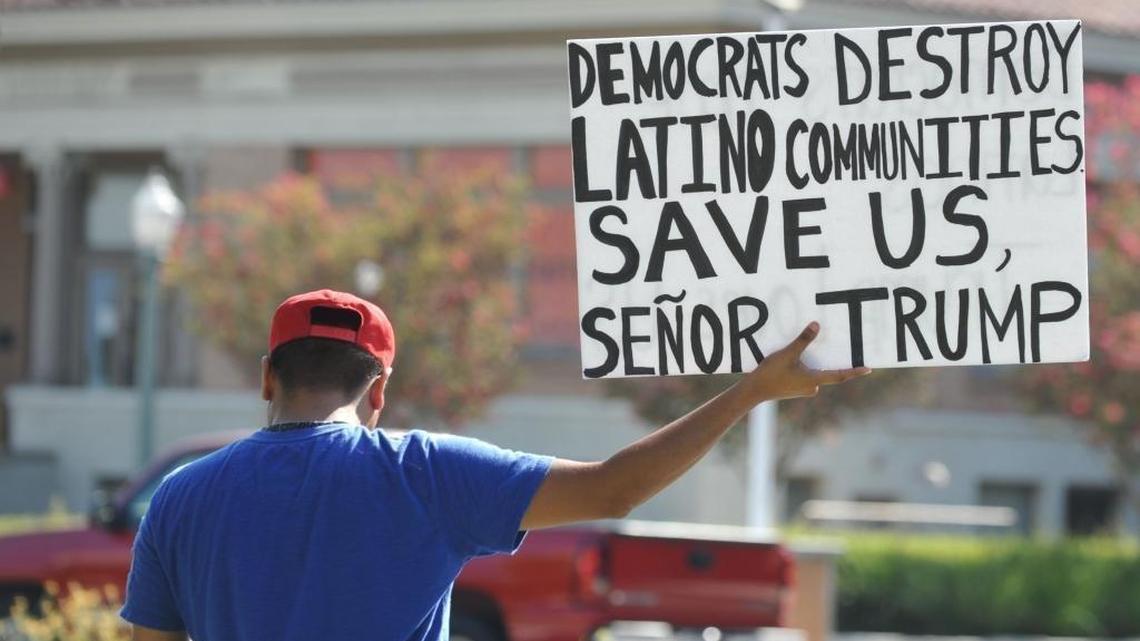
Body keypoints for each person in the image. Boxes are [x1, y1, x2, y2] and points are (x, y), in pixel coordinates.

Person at [121, 288, 869, 641]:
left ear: (266, 378)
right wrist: (750, 391)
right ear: (378, 390)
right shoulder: (425, 474)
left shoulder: (179, 499)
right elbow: (617, 485)